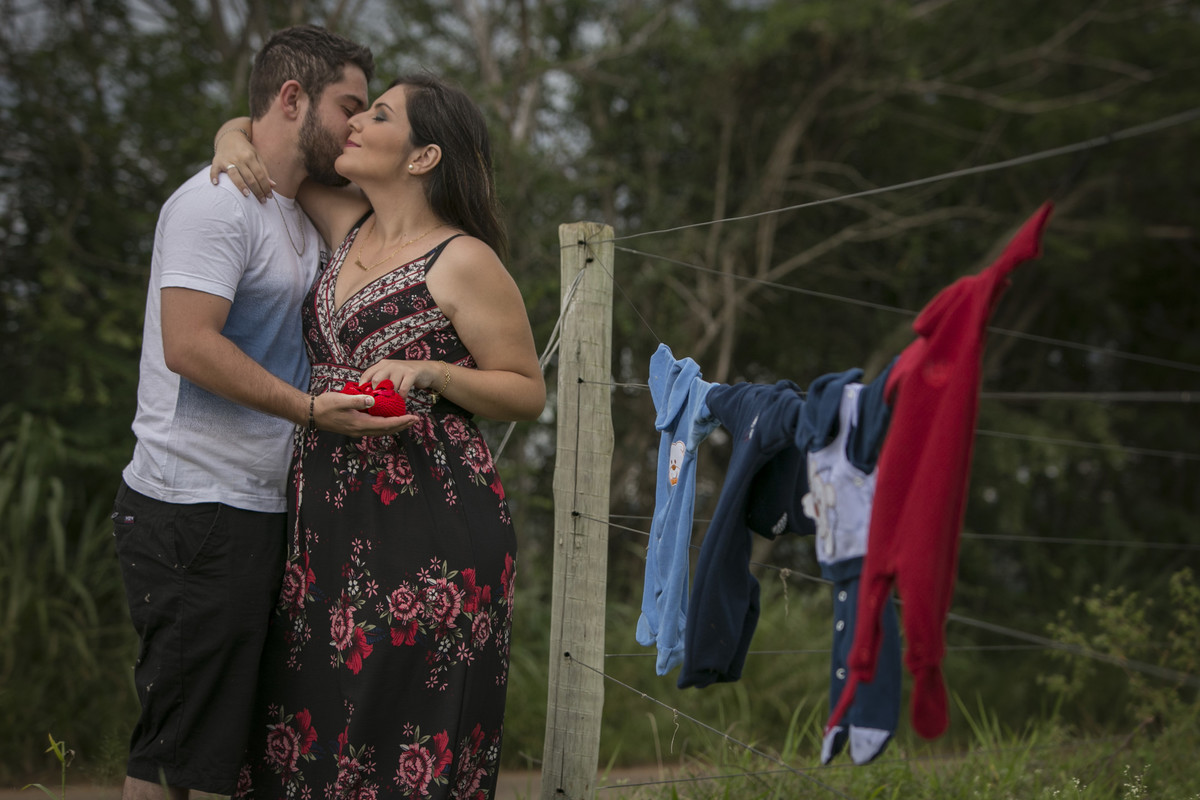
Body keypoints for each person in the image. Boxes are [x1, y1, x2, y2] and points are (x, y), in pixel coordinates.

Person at [212, 72, 545, 799]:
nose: (356, 123)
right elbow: (267, 156)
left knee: (403, 734)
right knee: (306, 727)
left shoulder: (462, 259)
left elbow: (526, 390)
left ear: (423, 157)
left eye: (380, 115)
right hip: (326, 525)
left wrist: (431, 372)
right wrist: (230, 134)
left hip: (431, 530)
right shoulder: (345, 223)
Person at [112, 25, 400, 800]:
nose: (354, 124)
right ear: (291, 97)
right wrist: (310, 410)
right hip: (192, 505)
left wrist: (236, 129)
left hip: (256, 507)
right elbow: (189, 346)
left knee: (218, 752)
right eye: (348, 105)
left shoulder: (297, 205)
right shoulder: (215, 204)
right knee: (177, 751)